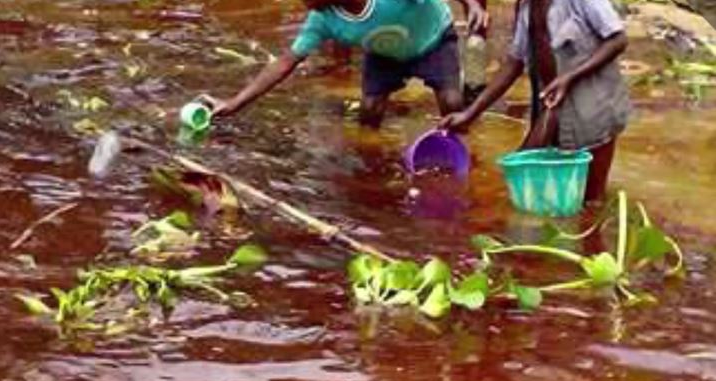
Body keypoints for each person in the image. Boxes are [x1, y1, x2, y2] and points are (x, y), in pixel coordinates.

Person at [440, 0, 630, 202]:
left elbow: (618, 39)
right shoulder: (527, 7)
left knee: (591, 200)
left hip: (594, 107)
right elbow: (514, 64)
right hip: (552, 106)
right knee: (521, 176)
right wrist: (469, 114)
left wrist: (570, 77)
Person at [208, 0, 489, 129]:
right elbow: (285, 62)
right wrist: (234, 103)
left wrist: (474, 5)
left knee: (452, 102)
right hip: (383, 53)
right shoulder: (323, 20)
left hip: (433, 39)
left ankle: (460, 153)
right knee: (369, 113)